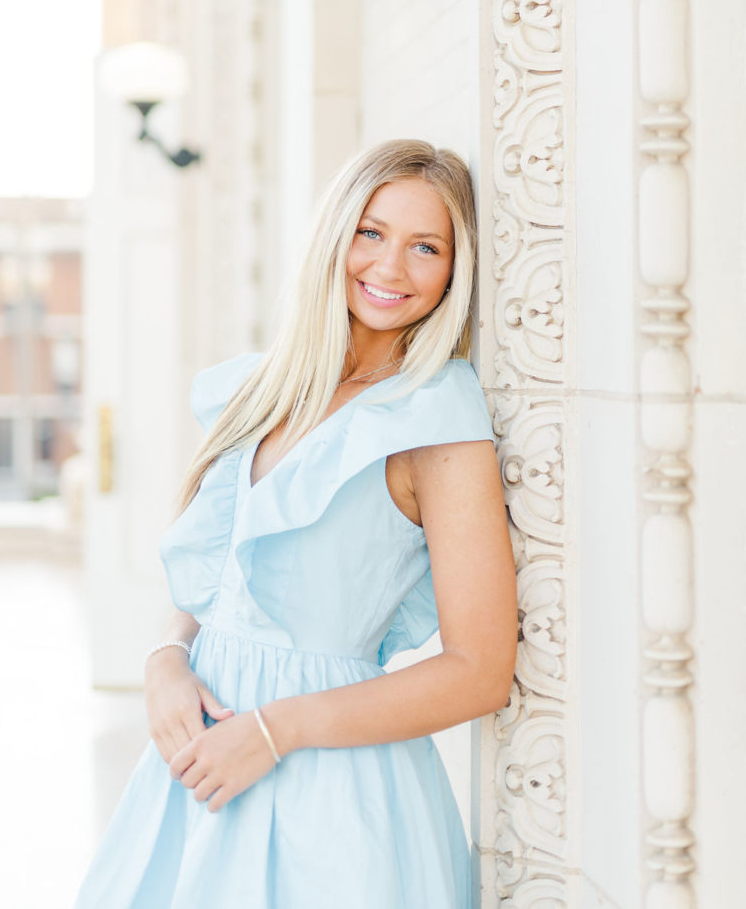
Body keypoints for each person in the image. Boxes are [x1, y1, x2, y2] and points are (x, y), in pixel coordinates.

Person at [75, 139, 517, 908]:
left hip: (336, 800)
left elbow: (480, 669)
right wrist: (164, 657)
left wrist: (276, 730)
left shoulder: (437, 419)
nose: (389, 267)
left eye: (427, 247)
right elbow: (227, 576)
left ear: (456, 270)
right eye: (371, 232)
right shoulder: (265, 388)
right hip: (201, 776)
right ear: (335, 232)